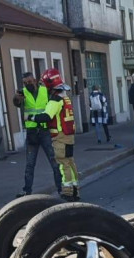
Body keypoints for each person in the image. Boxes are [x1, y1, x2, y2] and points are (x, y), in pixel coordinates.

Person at [12, 72, 61, 197]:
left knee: (54, 161)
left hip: (45, 131)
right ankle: (27, 190)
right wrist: (16, 98)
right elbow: (16, 103)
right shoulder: (23, 93)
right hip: (32, 132)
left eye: (29, 82)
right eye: (25, 83)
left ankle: (61, 188)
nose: (27, 85)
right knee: (30, 163)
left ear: (34, 80)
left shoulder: (45, 90)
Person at [40, 69, 80, 201]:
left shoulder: (55, 100)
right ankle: (75, 190)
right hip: (69, 135)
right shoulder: (65, 97)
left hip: (59, 136)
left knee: (63, 164)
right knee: (70, 162)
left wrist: (32, 118)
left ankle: (68, 192)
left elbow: (47, 116)